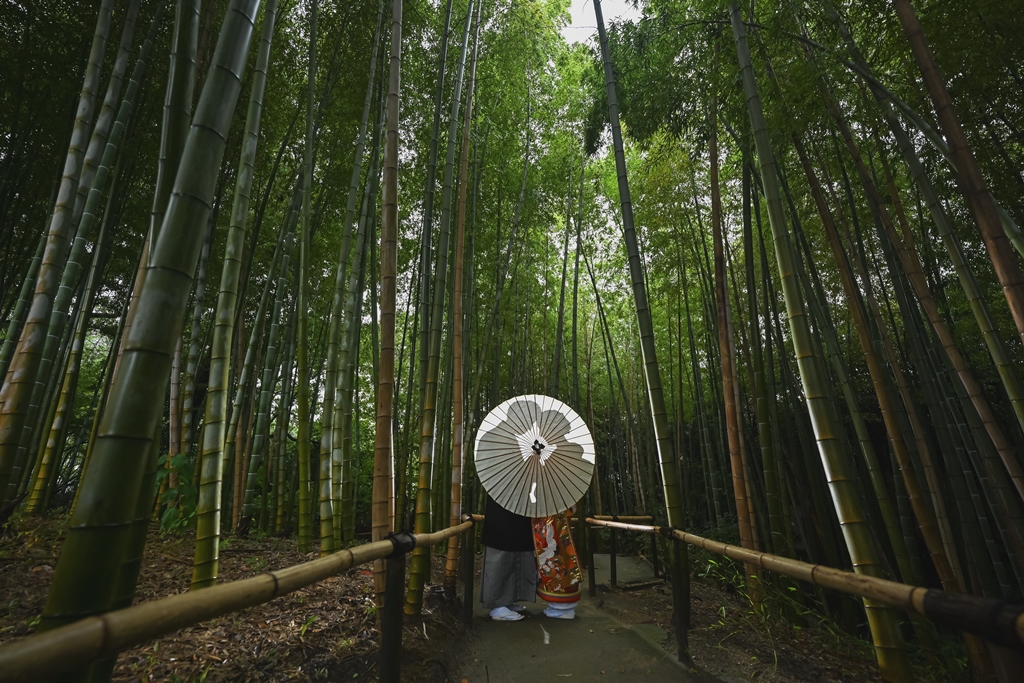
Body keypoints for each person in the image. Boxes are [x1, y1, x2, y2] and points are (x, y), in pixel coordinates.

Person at [480, 495, 537, 621]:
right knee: (501, 553)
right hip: (501, 509)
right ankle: (496, 605)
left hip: (520, 507)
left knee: (518, 551)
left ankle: (507, 599)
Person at [532, 508, 582, 619]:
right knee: (558, 554)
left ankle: (562, 607)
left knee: (556, 556)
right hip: (554, 512)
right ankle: (560, 606)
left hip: (555, 514)